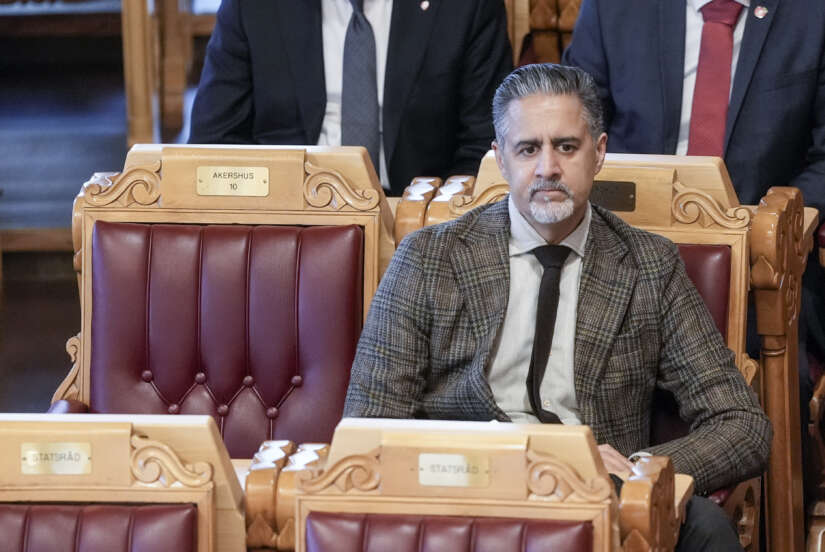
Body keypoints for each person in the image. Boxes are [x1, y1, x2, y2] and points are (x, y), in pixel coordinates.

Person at [344, 63, 771, 551]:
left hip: (599, 498)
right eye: (528, 149)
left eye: (566, 147)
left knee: (706, 529)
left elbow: (742, 424)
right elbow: (368, 425)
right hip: (464, 491)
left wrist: (639, 470)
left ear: (599, 152)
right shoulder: (428, 258)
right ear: (500, 159)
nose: (548, 167)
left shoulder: (649, 266)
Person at [188, 0, 513, 196]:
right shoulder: (252, 7)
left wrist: (437, 218)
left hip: (418, 219)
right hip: (285, 218)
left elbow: (485, 146)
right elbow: (213, 145)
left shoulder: (466, 7)